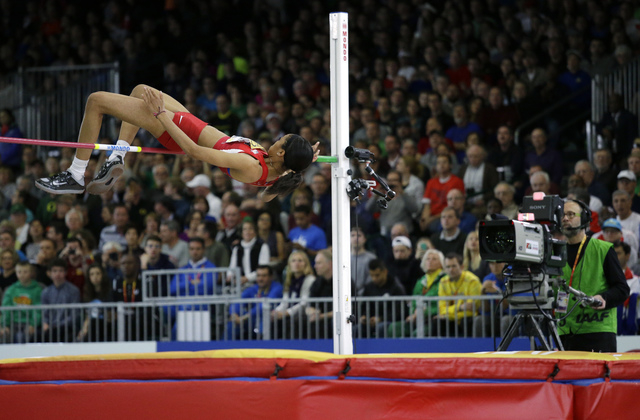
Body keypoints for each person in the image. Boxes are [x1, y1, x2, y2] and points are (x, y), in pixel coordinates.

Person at [35, 85, 318, 203]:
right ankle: (116, 157)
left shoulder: (251, 165)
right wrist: (306, 161)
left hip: (178, 129)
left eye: (281, 140)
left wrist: (161, 116)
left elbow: (194, 152)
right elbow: (268, 195)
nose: (277, 138)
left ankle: (75, 174)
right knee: (140, 90)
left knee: (96, 101)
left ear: (281, 152)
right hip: (189, 121)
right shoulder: (278, 173)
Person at [557, 199, 629, 352]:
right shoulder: (554, 252)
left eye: (570, 214)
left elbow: (622, 289)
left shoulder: (603, 249)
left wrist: (604, 298)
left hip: (598, 331)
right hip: (564, 332)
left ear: (584, 219)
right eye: (562, 215)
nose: (565, 218)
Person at [388, 249, 446, 338]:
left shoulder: (444, 280)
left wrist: (425, 312)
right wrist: (413, 314)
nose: (430, 261)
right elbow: (414, 301)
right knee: (395, 327)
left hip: (433, 319)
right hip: (417, 318)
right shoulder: (421, 281)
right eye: (427, 259)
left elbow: (442, 303)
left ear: (442, 263)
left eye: (434, 259)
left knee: (417, 334)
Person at [227, 265, 283, 340]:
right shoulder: (253, 288)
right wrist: (234, 314)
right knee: (233, 322)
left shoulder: (277, 288)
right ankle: (224, 347)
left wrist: (244, 317)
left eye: (264, 276)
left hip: (269, 321)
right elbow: (238, 301)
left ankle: (264, 347)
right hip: (252, 321)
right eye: (258, 276)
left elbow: (264, 305)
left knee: (265, 318)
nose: (260, 279)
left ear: (271, 277)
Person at [435, 253, 481, 337]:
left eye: (454, 266)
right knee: (438, 322)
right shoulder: (443, 282)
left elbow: (471, 309)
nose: (451, 270)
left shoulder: (472, 281)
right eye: (448, 267)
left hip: (468, 318)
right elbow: (441, 309)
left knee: (466, 321)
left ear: (462, 267)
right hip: (455, 317)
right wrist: (460, 307)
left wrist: (449, 313)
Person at [271, 251, 316, 338]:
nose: (297, 263)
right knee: (274, 321)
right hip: (291, 313)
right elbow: (285, 302)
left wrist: (287, 313)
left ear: (306, 264)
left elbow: (304, 303)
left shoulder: (310, 279)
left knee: (293, 322)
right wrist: (276, 311)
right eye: (293, 261)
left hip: (304, 314)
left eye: (300, 260)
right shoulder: (289, 280)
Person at [358, 259, 406, 338]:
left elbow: (399, 312)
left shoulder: (396, 288)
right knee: (357, 329)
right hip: (371, 321)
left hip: (390, 321)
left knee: (381, 327)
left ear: (385, 272)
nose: (374, 279)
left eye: (377, 275)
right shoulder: (369, 288)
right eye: (372, 275)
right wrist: (364, 317)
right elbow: (364, 306)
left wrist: (380, 319)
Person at [0, 260, 42, 343]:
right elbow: (6, 309)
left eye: (25, 272)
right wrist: (4, 325)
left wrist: (33, 324)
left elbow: (38, 310)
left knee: (21, 337)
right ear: (16, 273)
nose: (22, 275)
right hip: (13, 323)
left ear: (31, 273)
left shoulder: (38, 289)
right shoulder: (11, 290)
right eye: (19, 272)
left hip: (28, 323)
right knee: (3, 335)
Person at [41, 258, 81, 342]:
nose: (57, 274)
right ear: (49, 273)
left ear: (65, 273)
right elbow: (44, 312)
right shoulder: (46, 292)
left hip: (68, 327)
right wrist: (45, 323)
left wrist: (58, 325)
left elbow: (74, 314)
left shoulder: (73, 291)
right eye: (54, 271)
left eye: (60, 271)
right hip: (50, 328)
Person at [77, 264, 113, 342]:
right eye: (92, 274)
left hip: (106, 325)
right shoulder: (87, 294)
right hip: (92, 326)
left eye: (98, 273)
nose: (95, 277)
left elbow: (110, 315)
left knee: (94, 322)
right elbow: (88, 315)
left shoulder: (109, 292)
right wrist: (83, 329)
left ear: (103, 275)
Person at [350, 226, 377, 296]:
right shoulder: (344, 258)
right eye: (352, 235)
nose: (355, 238)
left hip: (366, 297)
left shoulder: (372, 258)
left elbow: (371, 281)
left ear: (365, 239)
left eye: (359, 235)